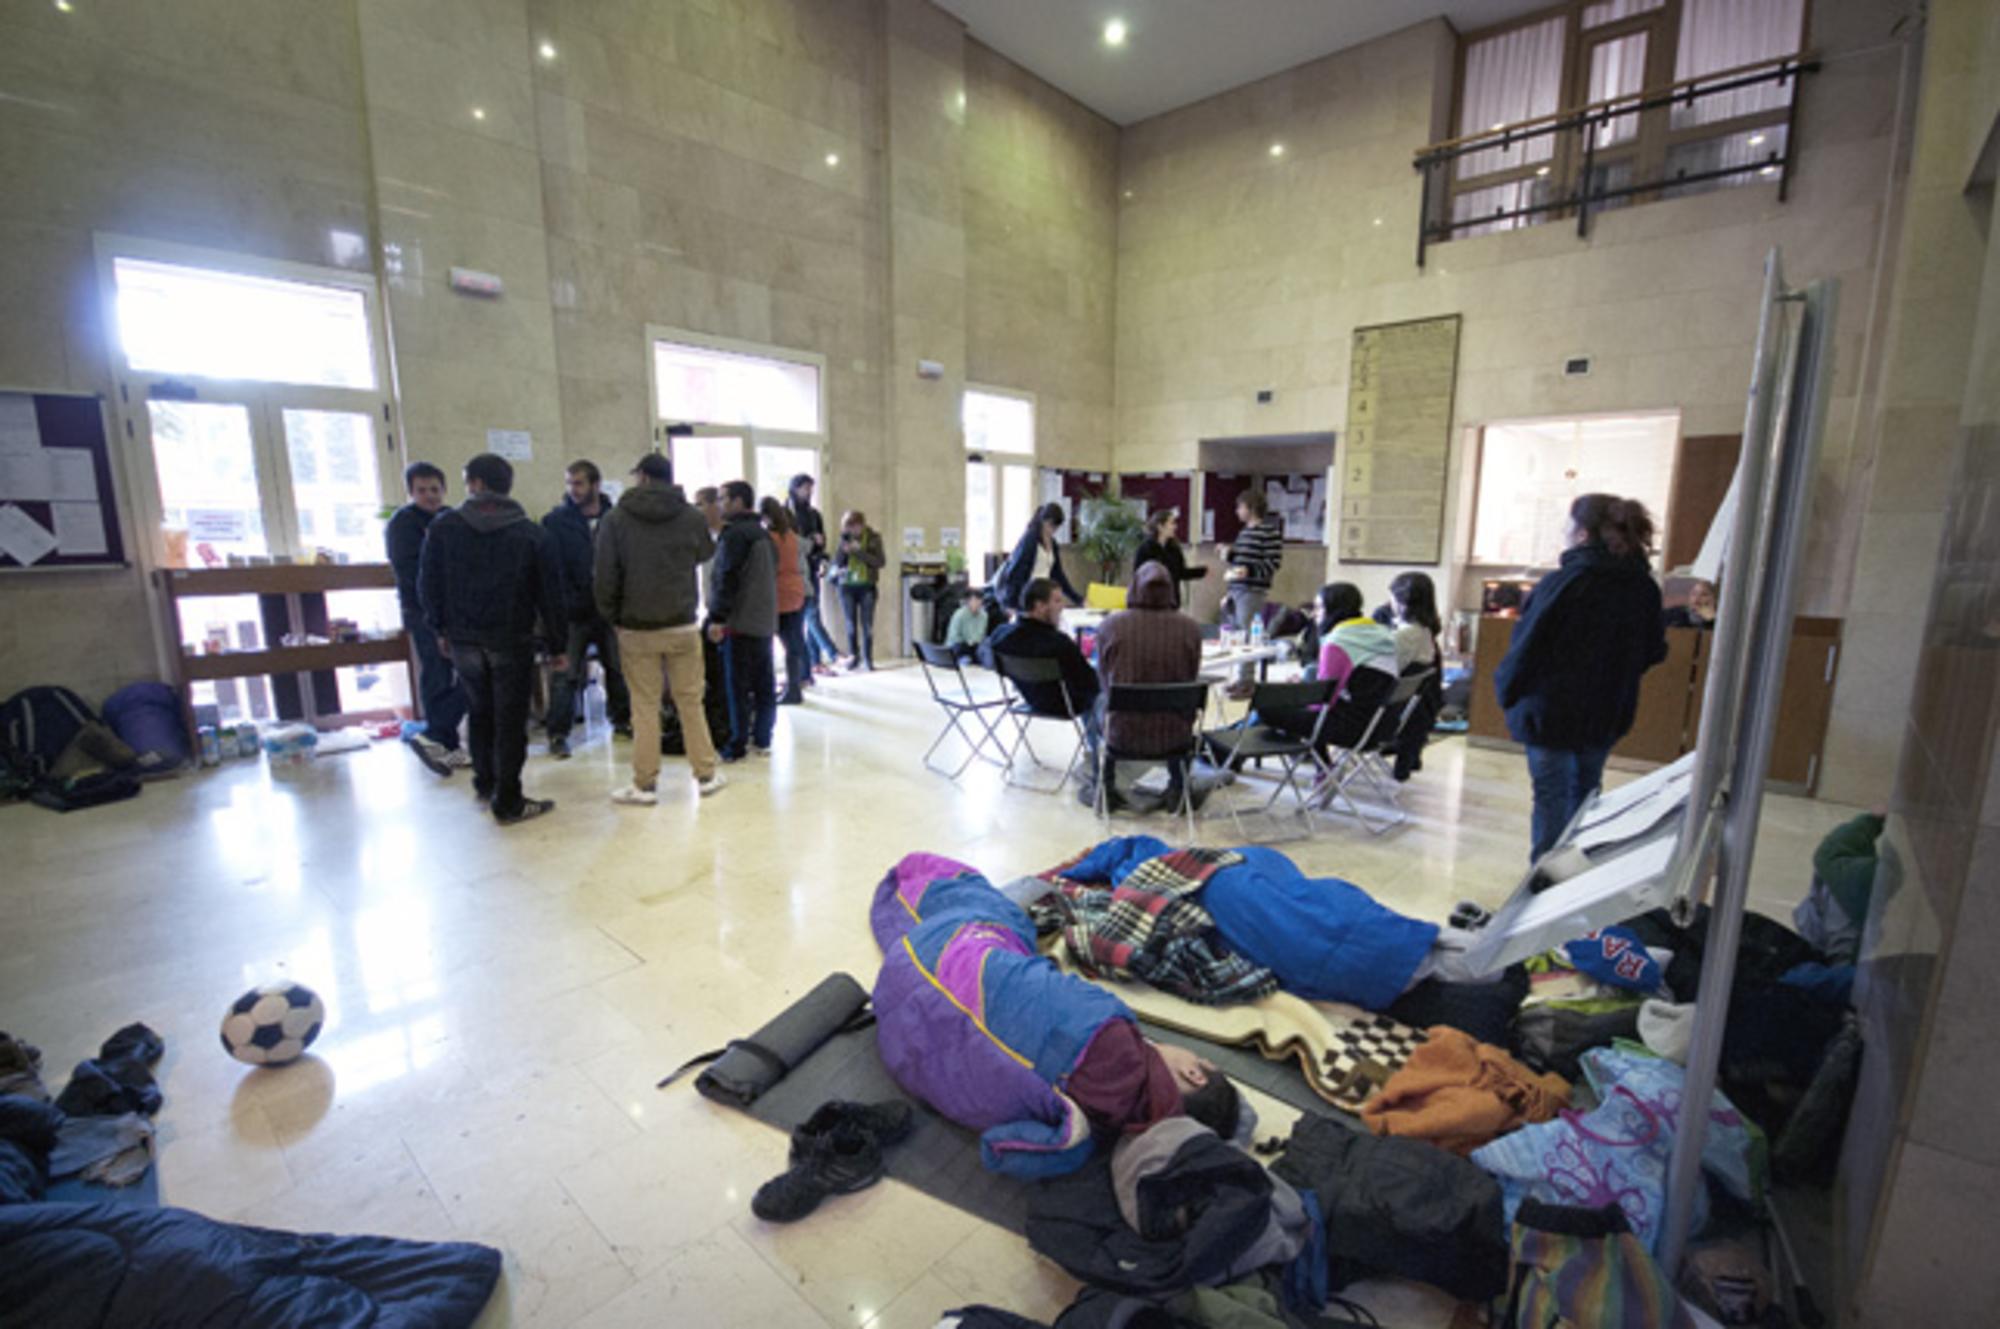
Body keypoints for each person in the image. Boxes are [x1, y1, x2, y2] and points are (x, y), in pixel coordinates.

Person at [872, 855, 1244, 1178]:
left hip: (926, 954)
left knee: (1008, 920)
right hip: (895, 1020)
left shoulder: (1113, 1030)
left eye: (1196, 1058)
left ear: (1193, 1074)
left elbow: (1043, 989)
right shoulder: (1080, 1131)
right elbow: (998, 1148)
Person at [1494, 493, 1668, 861]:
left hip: (1550, 711)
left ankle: (1545, 878)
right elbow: (1654, 651)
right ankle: (1575, 876)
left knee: (1551, 797)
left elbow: (1526, 648)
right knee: (1587, 791)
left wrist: (1506, 692)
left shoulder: (1565, 582)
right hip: (1607, 710)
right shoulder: (1644, 588)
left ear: (1583, 533)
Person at [418, 453, 567, 825]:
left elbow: (428, 584)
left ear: (477, 484)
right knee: (510, 720)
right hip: (511, 638)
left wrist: (439, 628)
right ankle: (509, 800)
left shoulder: (444, 527)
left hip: (463, 638)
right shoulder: (532, 534)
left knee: (479, 711)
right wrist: (558, 645)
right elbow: (550, 595)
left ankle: (485, 783)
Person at [594, 453, 723, 805]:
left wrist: (614, 618)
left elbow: (604, 575)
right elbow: (705, 552)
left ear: (644, 477)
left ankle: (645, 784)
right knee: (690, 701)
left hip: (636, 627)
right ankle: (706, 774)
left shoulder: (616, 518)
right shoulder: (690, 516)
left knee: (644, 706)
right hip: (682, 624)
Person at [1092, 561, 1205, 811]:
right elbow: (1191, 675)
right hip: (1175, 736)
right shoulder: (1190, 628)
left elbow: (1104, 679)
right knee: (1179, 702)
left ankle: (1104, 788)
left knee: (1097, 702)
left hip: (1121, 734)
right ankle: (1178, 788)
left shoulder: (1111, 626)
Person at [542, 460, 631, 758]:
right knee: (565, 674)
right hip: (573, 612)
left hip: (610, 610)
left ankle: (623, 721)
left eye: (579, 483)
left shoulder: (616, 519)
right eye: (570, 483)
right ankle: (558, 733)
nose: (573, 489)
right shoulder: (556, 522)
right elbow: (550, 569)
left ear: (595, 484)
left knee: (617, 669)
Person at [385, 461, 468, 777]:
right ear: (411, 492)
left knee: (464, 675)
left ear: (444, 490)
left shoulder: (451, 518)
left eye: (435, 489)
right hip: (423, 611)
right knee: (436, 674)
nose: (430, 496)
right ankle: (437, 738)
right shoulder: (403, 524)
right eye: (422, 490)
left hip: (455, 610)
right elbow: (410, 573)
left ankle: (442, 741)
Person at [1262, 583, 1399, 755]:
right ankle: (1315, 759)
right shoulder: (1380, 632)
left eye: (1319, 607)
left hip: (1354, 730)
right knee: (1296, 698)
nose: (1314, 614)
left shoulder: (1338, 642)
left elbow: (1322, 700)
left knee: (1266, 708)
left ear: (1333, 610)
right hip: (1385, 725)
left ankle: (1315, 760)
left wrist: (1299, 692)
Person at [984, 577, 1102, 764]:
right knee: (1102, 692)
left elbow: (985, 657)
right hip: (1065, 704)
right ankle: (1101, 753)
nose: (1063, 606)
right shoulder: (1060, 643)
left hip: (1030, 698)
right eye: (1057, 601)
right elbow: (1090, 683)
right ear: (1039, 606)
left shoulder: (1001, 635)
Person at [706, 480, 778, 761]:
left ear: (738, 501)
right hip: (764, 621)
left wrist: (717, 617)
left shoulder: (734, 535)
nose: (719, 504)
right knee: (763, 685)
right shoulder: (764, 535)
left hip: (739, 623)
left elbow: (727, 577)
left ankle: (736, 745)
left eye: (723, 499)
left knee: (736, 687)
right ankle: (762, 739)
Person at [789, 474, 840, 677]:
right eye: (805, 488)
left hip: (812, 567)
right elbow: (792, 542)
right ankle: (830, 653)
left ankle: (815, 662)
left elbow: (821, 542)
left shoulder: (814, 514)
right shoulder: (787, 514)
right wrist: (811, 540)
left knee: (813, 614)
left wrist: (821, 551)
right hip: (795, 571)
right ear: (795, 488)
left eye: (811, 488)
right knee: (809, 615)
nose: (809, 492)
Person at [762, 496, 809, 705]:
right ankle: (794, 686)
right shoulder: (791, 536)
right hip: (795, 591)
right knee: (793, 643)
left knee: (771, 643)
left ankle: (777, 688)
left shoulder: (767, 538)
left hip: (777, 592)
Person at [995, 503, 1082, 614]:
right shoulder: (1030, 540)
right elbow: (1017, 574)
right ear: (1044, 521)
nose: (1053, 530)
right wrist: (1014, 605)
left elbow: (1058, 575)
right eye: (1051, 525)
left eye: (1056, 527)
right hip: (1028, 598)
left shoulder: (1053, 544)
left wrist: (1078, 599)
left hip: (1043, 595)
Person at [1221, 489, 1283, 631]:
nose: (1237, 511)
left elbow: (1273, 563)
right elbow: (1240, 560)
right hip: (1234, 589)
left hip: (1252, 591)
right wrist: (1229, 554)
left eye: (1240, 507)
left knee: (1245, 630)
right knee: (1231, 631)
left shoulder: (1269, 532)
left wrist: (1249, 571)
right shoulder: (1244, 532)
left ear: (1252, 508)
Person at [833, 510, 885, 670]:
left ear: (861, 525)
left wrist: (859, 552)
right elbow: (837, 563)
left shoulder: (874, 538)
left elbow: (880, 562)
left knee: (867, 625)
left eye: (854, 527)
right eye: (848, 528)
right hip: (846, 586)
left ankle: (868, 659)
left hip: (866, 586)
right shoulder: (844, 539)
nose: (852, 531)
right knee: (850, 625)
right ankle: (853, 657)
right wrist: (843, 551)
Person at [1131, 508, 1207, 609]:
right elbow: (1138, 575)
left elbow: (1181, 572)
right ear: (1160, 527)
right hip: (1150, 602)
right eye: (1172, 523)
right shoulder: (1145, 548)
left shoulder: (1174, 549)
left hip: (1171, 601)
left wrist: (1202, 571)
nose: (1175, 527)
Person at [944, 586, 991, 660]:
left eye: (980, 599)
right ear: (968, 601)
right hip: (958, 645)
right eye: (975, 600)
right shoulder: (960, 614)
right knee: (966, 659)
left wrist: (975, 642)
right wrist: (969, 642)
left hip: (974, 646)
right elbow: (954, 637)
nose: (979, 602)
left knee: (987, 647)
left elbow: (982, 634)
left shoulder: (984, 615)